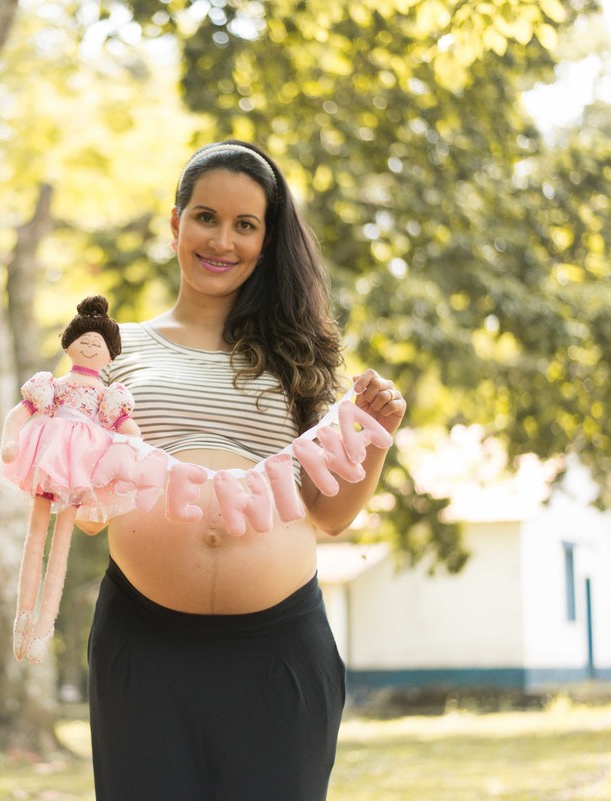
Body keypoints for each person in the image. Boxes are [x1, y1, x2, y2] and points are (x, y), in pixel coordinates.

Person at [82, 141, 407, 801]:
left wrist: (374, 437)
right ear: (174, 223)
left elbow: (333, 513)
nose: (221, 239)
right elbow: (84, 501)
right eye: (206, 216)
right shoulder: (115, 347)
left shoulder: (299, 356)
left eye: (245, 224)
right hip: (144, 646)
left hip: (278, 649)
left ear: (266, 239)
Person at [0, 295, 140, 664]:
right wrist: (9, 442)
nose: (89, 344)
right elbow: (18, 415)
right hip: (48, 458)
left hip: (83, 467)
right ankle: (23, 617)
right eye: (83, 338)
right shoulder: (51, 385)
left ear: (110, 354)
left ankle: (43, 628)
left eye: (98, 341)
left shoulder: (109, 396)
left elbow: (125, 428)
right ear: (69, 343)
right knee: (34, 536)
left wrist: (138, 453)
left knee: (61, 546)